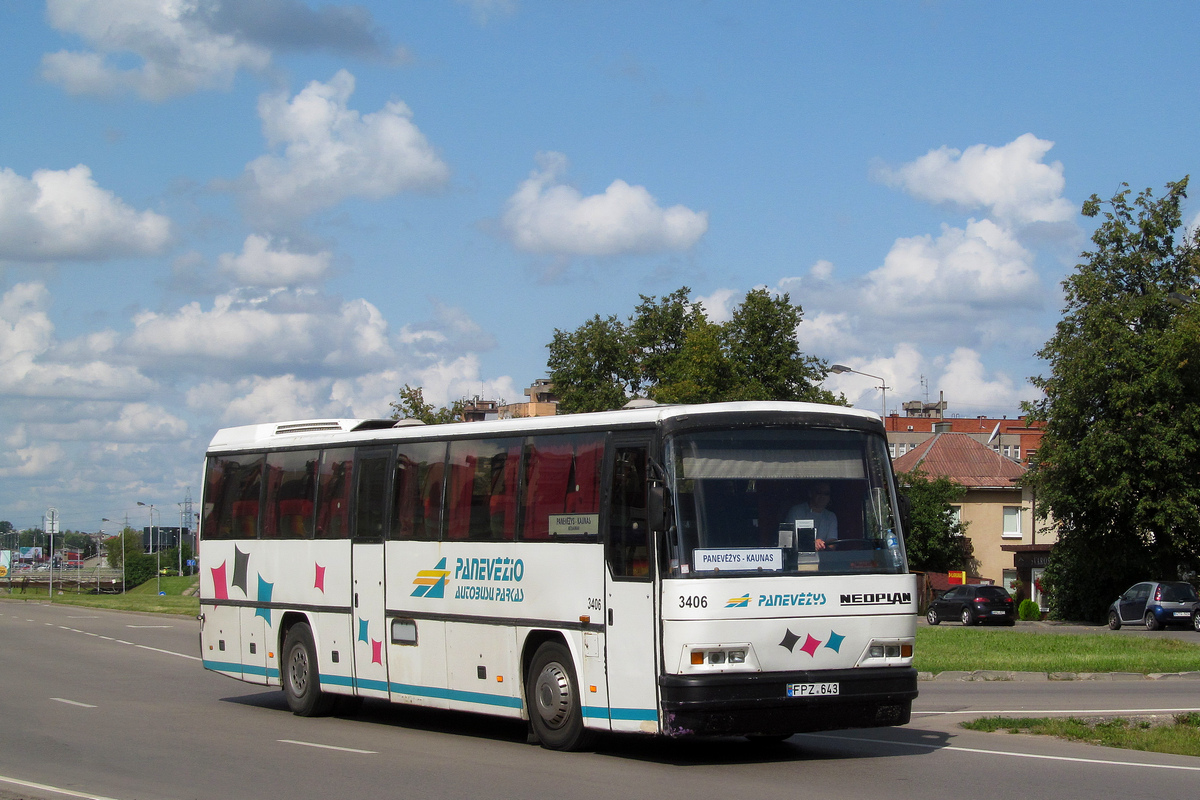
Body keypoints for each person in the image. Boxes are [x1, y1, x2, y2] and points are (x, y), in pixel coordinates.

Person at [784, 481, 838, 550]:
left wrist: (821, 545)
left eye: (826, 494)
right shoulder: (796, 511)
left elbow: (832, 543)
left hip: (823, 558)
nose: (822, 496)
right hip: (797, 558)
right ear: (810, 493)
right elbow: (788, 538)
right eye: (819, 492)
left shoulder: (831, 516)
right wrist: (812, 543)